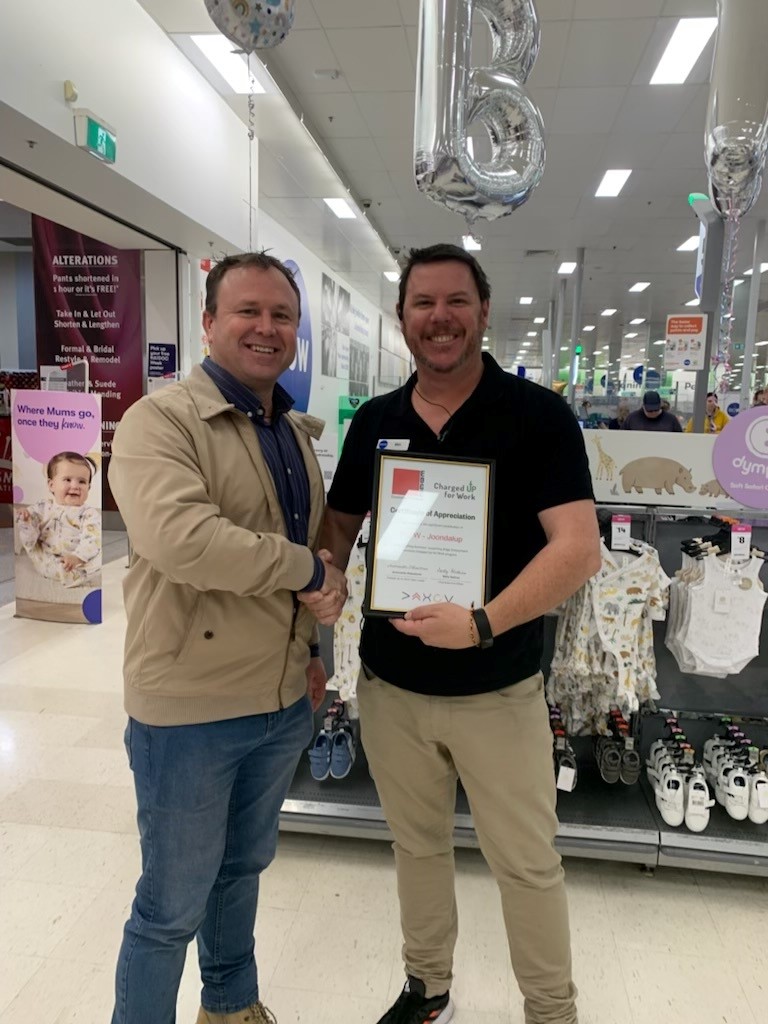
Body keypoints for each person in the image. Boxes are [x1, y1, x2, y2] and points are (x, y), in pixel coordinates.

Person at [308, 244, 600, 1024]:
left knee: (528, 864)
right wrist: (327, 572)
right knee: (417, 846)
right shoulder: (377, 421)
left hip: (497, 688)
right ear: (402, 318)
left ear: (483, 311)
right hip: (391, 687)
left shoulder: (537, 417)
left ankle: (550, 1009)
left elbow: (578, 548)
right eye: (422, 303)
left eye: (455, 302)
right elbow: (339, 523)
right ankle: (426, 984)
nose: (439, 318)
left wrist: (482, 623)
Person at [108, 252, 348, 1024]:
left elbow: (305, 554)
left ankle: (231, 1003)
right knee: (170, 902)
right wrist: (305, 566)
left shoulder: (289, 432)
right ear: (208, 322)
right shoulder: (161, 422)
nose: (266, 328)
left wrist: (313, 656)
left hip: (278, 701)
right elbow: (182, 539)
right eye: (247, 311)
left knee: (241, 869)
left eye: (282, 316)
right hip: (190, 706)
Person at [15, 451, 100, 586]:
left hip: (78, 558)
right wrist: (26, 518)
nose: (75, 486)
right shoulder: (44, 507)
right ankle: (68, 574)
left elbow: (92, 538)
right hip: (48, 556)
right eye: (67, 480)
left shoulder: (89, 513)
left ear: (88, 487)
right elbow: (32, 523)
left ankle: (76, 572)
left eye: (82, 482)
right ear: (51, 485)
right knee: (28, 529)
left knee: (98, 555)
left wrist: (78, 557)